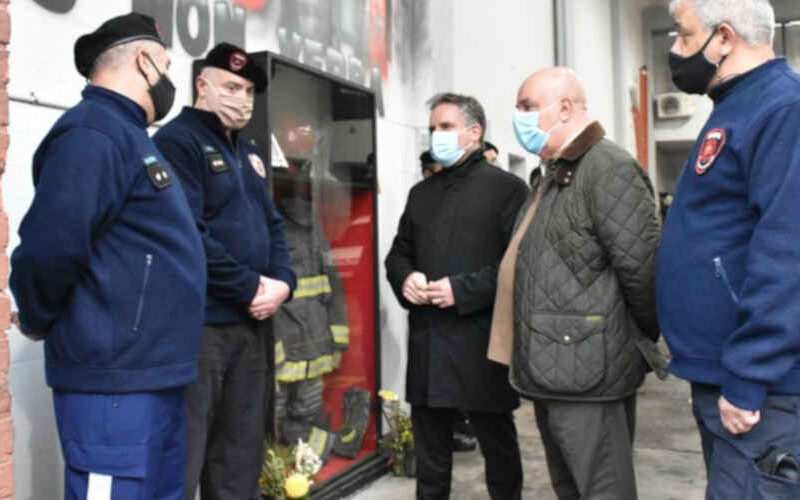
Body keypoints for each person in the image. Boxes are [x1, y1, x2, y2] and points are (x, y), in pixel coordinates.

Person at [9, 13, 206, 499]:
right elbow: (49, 246)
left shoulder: (130, 136)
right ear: (144, 62)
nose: (167, 78)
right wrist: (36, 314)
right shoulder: (93, 133)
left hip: (152, 377)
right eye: (164, 63)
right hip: (115, 387)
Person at [491, 67, 661, 500]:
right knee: (571, 488)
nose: (519, 117)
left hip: (588, 371)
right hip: (557, 367)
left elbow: (643, 274)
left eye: (527, 107)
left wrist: (630, 341)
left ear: (565, 108)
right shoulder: (554, 173)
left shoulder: (607, 169)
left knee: (603, 489)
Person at [658, 1, 800, 497]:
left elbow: (787, 253)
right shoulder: (737, 107)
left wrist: (748, 374)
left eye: (681, 34)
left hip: (762, 391)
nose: (674, 49)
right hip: (725, 376)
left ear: (723, 39)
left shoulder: (782, 108)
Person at [153, 43, 297, 500]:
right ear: (203, 84)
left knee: (240, 457)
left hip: (252, 326)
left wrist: (284, 285)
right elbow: (188, 234)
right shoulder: (177, 142)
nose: (243, 97)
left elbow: (274, 227)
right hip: (202, 330)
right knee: (188, 456)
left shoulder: (249, 153)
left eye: (250, 89)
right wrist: (251, 286)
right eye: (232, 86)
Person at [385, 93, 528, 499]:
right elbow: (398, 253)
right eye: (432, 128)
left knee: (497, 448)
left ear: (475, 132)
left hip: (481, 342)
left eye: (445, 127)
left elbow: (516, 265)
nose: (436, 135)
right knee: (431, 456)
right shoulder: (421, 194)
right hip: (429, 339)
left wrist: (460, 290)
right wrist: (406, 277)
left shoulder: (508, 190)